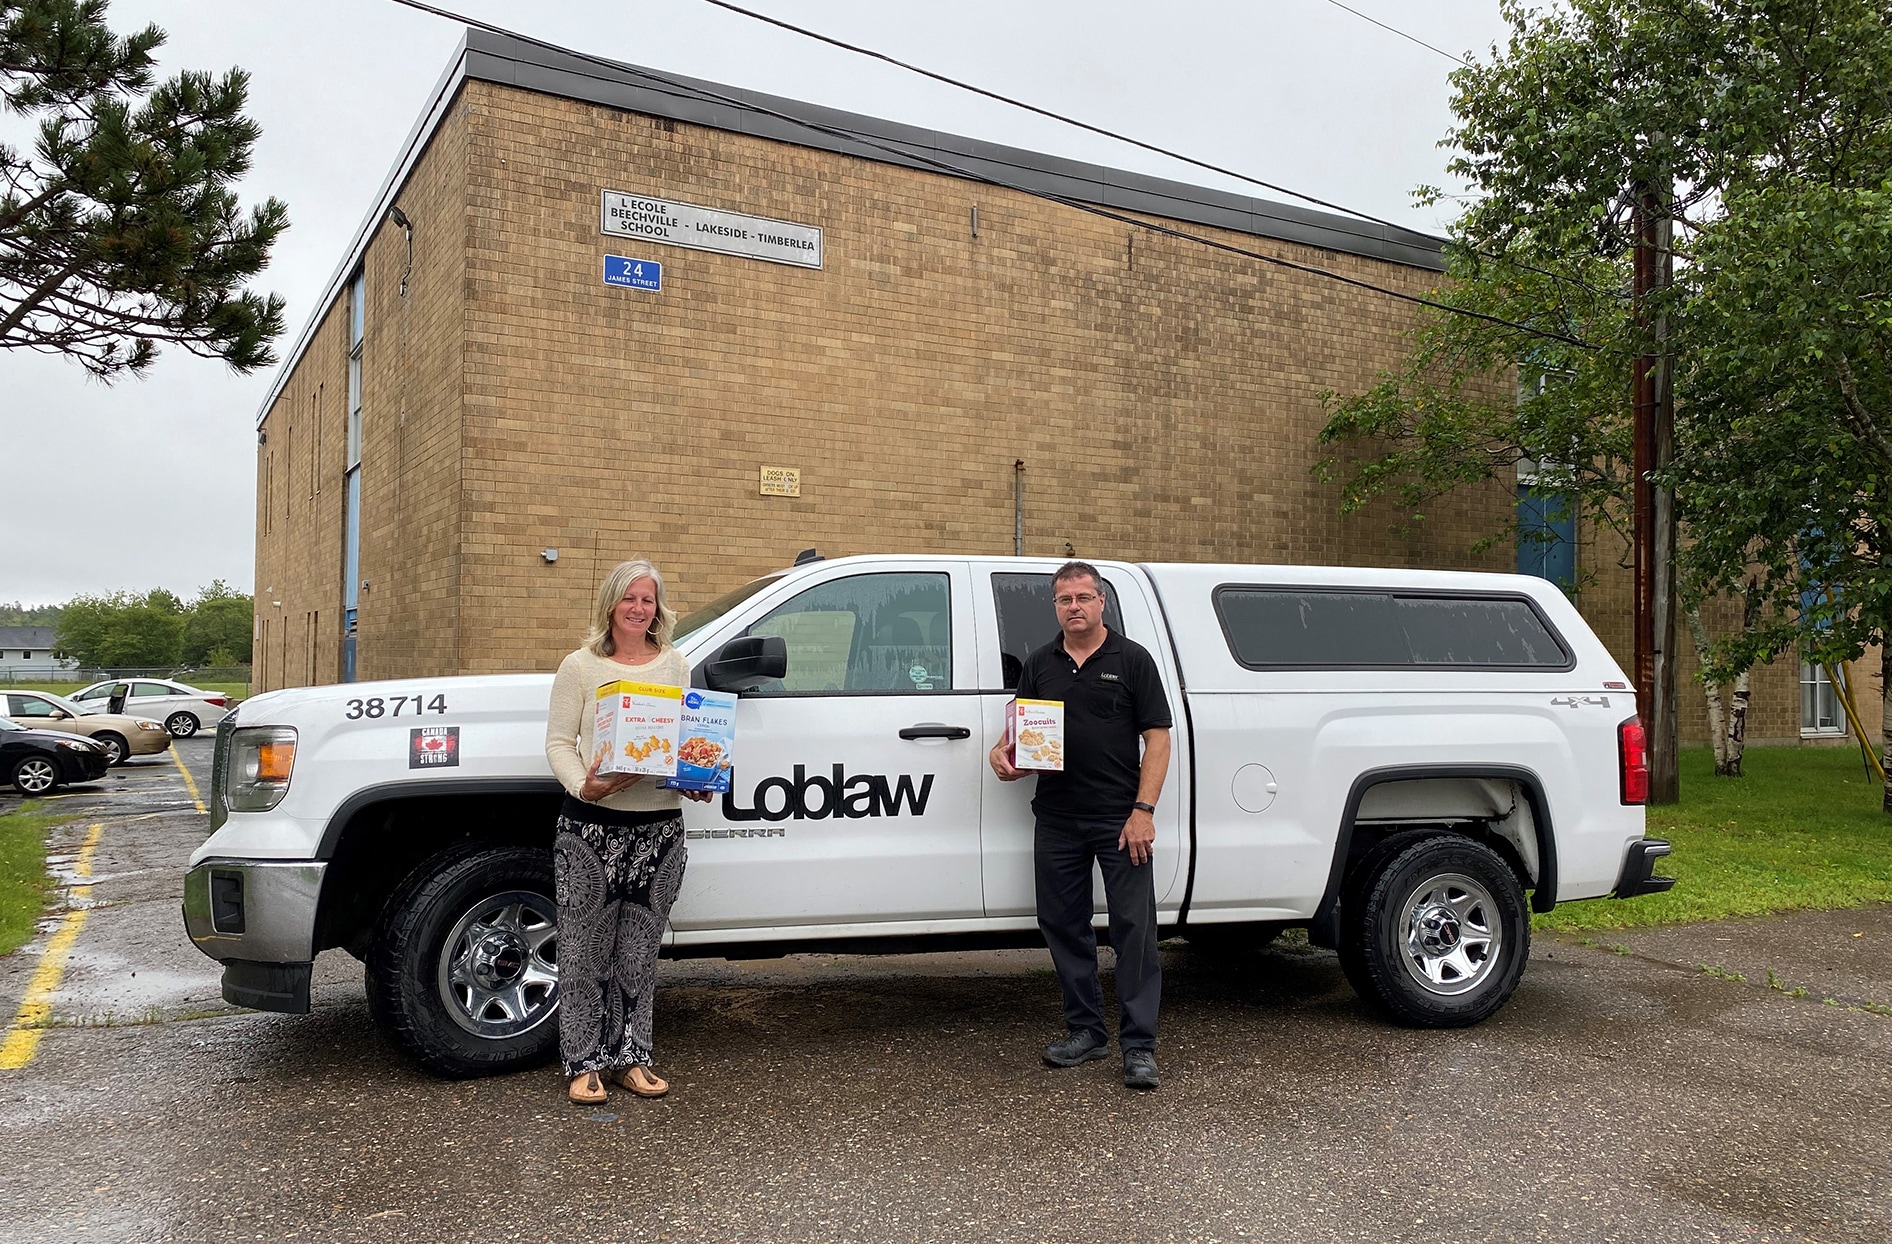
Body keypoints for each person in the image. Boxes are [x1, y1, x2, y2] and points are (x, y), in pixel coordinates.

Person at [989, 560, 1173, 1091]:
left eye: (1084, 597)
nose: (1074, 607)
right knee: (1063, 925)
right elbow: (1018, 731)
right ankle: (1086, 1032)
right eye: (1064, 599)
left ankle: (1139, 1046)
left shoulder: (1132, 660)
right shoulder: (1040, 663)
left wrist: (1144, 812)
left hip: (1121, 821)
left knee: (1133, 931)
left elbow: (1157, 739)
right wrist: (999, 755)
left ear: (1101, 603)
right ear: (1055, 605)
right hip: (1057, 819)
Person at [545, 558, 712, 1105]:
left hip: (658, 828)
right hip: (590, 828)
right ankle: (582, 1062)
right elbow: (558, 743)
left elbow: (685, 740)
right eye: (630, 599)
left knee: (638, 951)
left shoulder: (674, 665)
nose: (640, 609)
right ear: (611, 605)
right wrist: (582, 786)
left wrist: (696, 777)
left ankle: (630, 1057)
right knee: (582, 949)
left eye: (649, 601)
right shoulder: (579, 667)